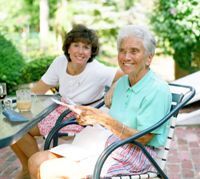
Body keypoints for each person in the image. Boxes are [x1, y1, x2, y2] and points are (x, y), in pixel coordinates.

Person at [28, 24, 172, 179]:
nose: (126, 57)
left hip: (133, 152)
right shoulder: (124, 82)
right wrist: (94, 115)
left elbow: (143, 138)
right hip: (105, 144)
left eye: (134, 51)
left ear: (149, 57)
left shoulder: (157, 89)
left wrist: (104, 119)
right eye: (122, 51)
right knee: (35, 161)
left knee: (50, 170)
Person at [11, 24, 123, 179]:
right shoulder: (60, 62)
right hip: (59, 111)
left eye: (86, 47)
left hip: (81, 119)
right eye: (76, 45)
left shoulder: (98, 70)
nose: (80, 51)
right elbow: (37, 91)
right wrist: (16, 108)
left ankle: (36, 169)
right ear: (68, 48)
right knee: (15, 125)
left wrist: (113, 87)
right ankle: (29, 168)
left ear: (91, 52)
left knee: (19, 127)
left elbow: (125, 76)